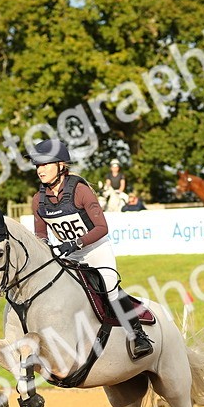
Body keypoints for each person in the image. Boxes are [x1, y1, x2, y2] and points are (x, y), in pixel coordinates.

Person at [29, 138, 152, 359]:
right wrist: (46, 247)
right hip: (69, 255)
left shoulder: (81, 190)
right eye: (38, 165)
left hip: (95, 249)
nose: (40, 170)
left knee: (109, 288)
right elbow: (41, 234)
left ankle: (138, 335)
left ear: (61, 165)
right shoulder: (38, 200)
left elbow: (102, 227)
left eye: (45, 164)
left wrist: (74, 243)